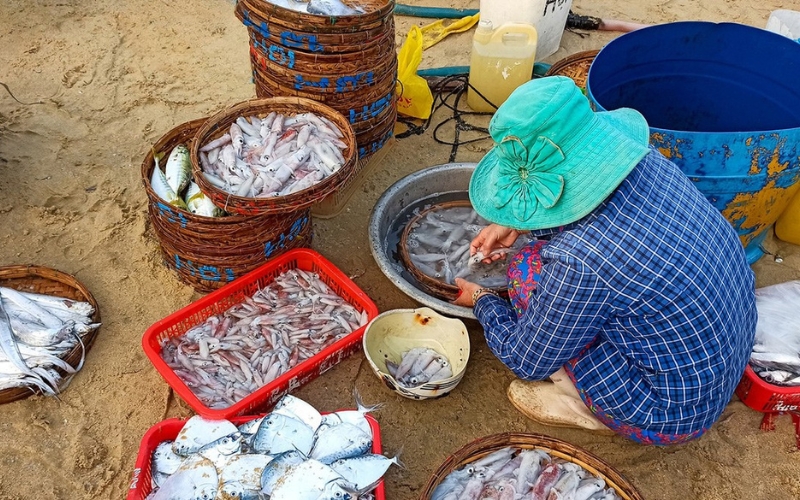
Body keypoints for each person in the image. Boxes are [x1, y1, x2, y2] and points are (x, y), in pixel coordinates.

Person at [452, 76, 757, 445]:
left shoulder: (579, 261)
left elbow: (526, 360)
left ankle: (580, 403)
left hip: (671, 413)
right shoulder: (644, 159)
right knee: (541, 262)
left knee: (526, 270)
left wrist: (483, 301)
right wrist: (516, 220)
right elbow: (601, 213)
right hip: (724, 354)